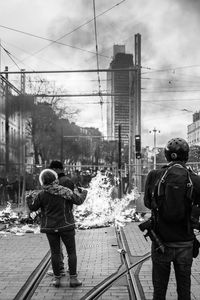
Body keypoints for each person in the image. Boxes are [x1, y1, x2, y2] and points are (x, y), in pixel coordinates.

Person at [144, 137, 200, 300]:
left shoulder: (154, 175)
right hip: (185, 244)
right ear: (187, 156)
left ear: (167, 156)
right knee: (184, 291)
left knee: (159, 291)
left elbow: (148, 203)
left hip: (161, 243)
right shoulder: (195, 180)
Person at [26, 168, 87, 288]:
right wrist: (84, 192)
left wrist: (28, 199)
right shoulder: (65, 191)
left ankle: (57, 280)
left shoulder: (42, 195)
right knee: (71, 252)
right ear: (55, 179)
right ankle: (73, 279)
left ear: (42, 181)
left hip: (50, 228)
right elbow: (79, 201)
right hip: (66, 226)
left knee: (55, 253)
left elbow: (33, 208)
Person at [48, 160, 76, 277]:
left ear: (57, 169)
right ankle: (72, 271)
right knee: (71, 249)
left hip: (54, 219)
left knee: (56, 250)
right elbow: (73, 199)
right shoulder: (68, 181)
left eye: (52, 170)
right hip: (67, 218)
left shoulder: (54, 182)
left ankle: (59, 269)